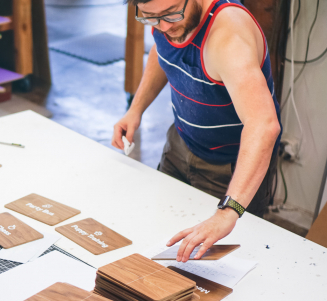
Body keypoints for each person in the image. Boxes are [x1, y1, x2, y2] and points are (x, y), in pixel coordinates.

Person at [113, 0, 281, 262]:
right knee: (160, 240)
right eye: (150, 18)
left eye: (171, 14)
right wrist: (136, 109)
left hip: (229, 169)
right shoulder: (164, 18)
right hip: (180, 142)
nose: (164, 26)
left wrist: (228, 212)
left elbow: (264, 125)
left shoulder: (228, 36)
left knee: (215, 268)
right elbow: (163, 51)